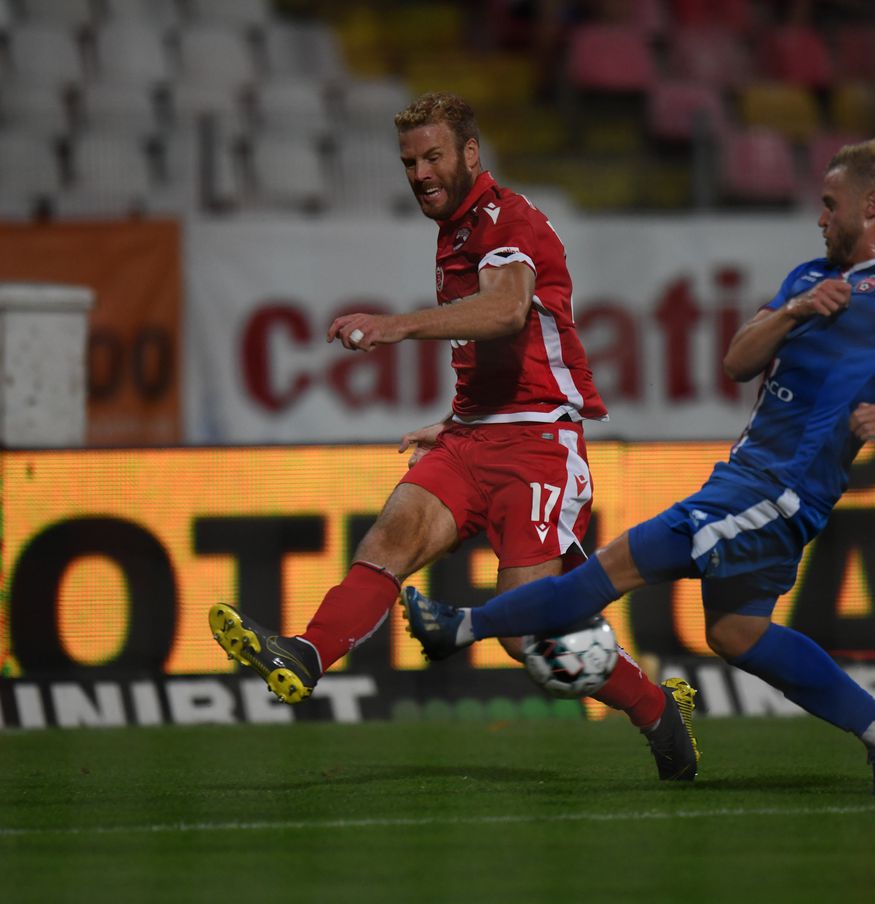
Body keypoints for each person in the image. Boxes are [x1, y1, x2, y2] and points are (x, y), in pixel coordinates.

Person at [403, 137, 875, 795]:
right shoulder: (808, 278)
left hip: (781, 488)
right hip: (748, 474)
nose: (821, 219)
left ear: (871, 205)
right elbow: (739, 360)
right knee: (738, 632)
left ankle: (462, 625)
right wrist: (797, 309)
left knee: (615, 566)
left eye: (831, 206)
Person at [208, 92, 700, 782]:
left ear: (471, 154)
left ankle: (653, 708)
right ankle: (305, 654)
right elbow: (502, 343)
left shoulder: (506, 217)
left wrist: (395, 325)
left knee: (529, 635)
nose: (420, 173)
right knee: (390, 538)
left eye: (433, 156)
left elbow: (504, 311)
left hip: (538, 449)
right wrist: (456, 417)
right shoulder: (458, 231)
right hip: (472, 439)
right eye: (409, 161)